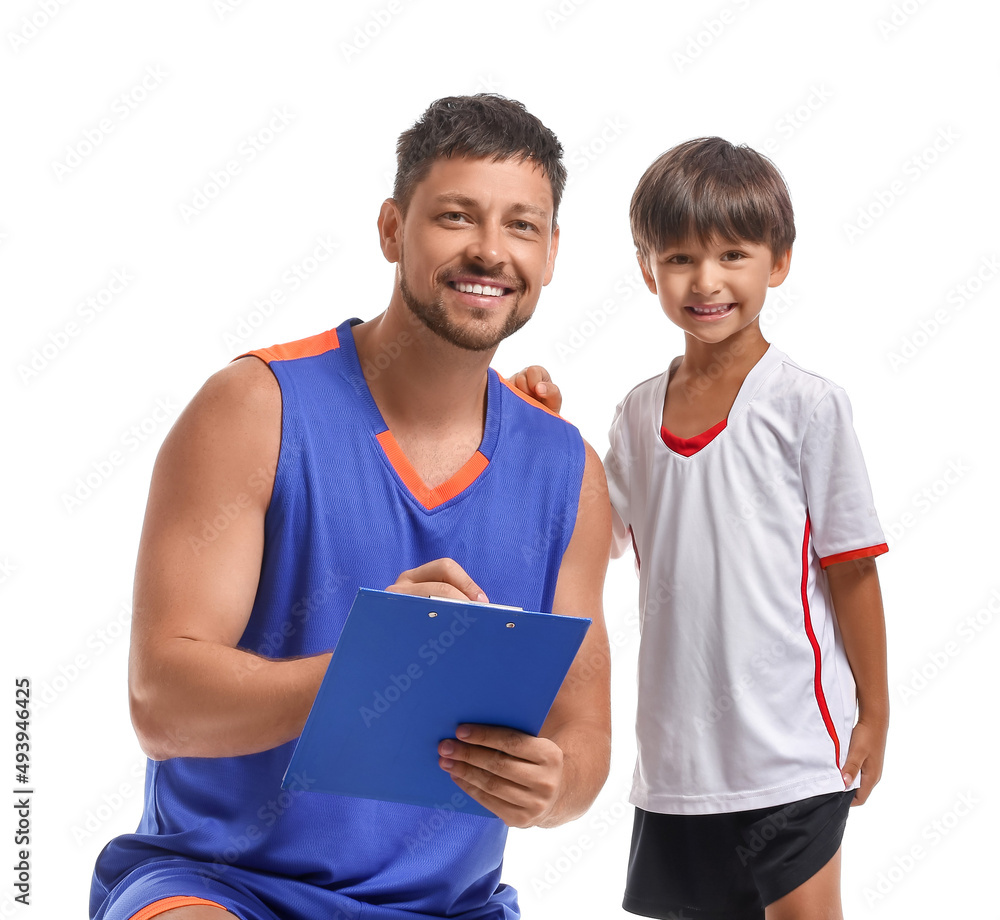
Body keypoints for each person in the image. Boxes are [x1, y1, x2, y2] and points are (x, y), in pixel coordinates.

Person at [89, 94, 612, 920]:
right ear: (392, 230)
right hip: (223, 890)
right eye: (456, 215)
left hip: (452, 909)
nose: (489, 250)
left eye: (522, 226)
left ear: (550, 254)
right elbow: (162, 705)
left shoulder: (569, 470)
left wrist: (550, 788)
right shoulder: (254, 409)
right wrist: (366, 672)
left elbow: (584, 746)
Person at [605, 137, 889, 920]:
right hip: (676, 759)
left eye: (734, 254)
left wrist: (877, 711)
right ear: (645, 267)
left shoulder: (807, 405)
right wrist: (534, 422)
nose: (707, 281)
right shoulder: (634, 413)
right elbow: (590, 534)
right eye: (680, 258)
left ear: (778, 261)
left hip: (793, 749)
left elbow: (853, 568)